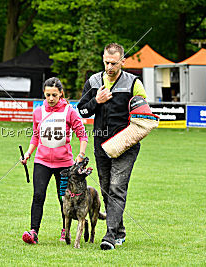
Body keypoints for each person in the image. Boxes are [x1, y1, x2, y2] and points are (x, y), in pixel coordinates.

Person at [77, 43, 147, 250]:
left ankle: (109, 236)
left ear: (122, 61)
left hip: (126, 145)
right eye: (106, 62)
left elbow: (144, 114)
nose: (109, 67)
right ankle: (119, 230)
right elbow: (81, 111)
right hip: (101, 144)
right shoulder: (94, 81)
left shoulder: (134, 83)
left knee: (117, 187)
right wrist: (96, 101)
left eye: (114, 63)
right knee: (107, 190)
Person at [21, 77, 88, 244]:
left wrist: (81, 154)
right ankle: (33, 232)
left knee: (63, 198)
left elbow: (82, 134)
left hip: (64, 164)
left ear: (61, 94)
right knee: (38, 195)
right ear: (44, 94)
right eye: (48, 95)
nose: (51, 98)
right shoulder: (38, 112)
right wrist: (28, 153)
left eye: (54, 95)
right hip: (41, 161)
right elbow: (36, 136)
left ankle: (65, 230)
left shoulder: (69, 111)